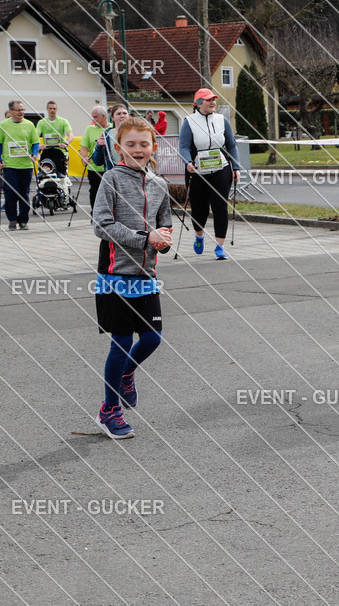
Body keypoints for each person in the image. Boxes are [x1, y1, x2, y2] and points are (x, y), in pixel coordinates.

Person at [92, 116, 172, 438]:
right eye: (130, 144)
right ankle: (109, 409)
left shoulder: (160, 184)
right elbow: (101, 224)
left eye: (144, 144)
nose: (137, 149)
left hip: (146, 273)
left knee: (152, 338)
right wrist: (144, 238)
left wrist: (163, 242)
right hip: (115, 274)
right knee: (122, 341)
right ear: (118, 147)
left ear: (153, 147)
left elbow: (164, 223)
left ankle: (126, 375)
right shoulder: (111, 179)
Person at [178, 88, 241, 260]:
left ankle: (220, 247)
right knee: (199, 209)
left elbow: (232, 145)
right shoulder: (189, 121)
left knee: (220, 206)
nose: (212, 102)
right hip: (197, 170)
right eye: (208, 100)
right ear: (198, 103)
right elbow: (183, 146)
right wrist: (188, 162)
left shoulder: (222, 120)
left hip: (221, 168)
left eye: (213, 99)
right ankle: (199, 237)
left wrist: (236, 168)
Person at [0, 100, 40, 230]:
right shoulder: (4, 125)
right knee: (11, 193)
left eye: (23, 110)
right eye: (19, 110)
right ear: (11, 112)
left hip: (26, 165)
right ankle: (12, 219)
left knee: (24, 193)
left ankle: (23, 220)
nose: (22, 112)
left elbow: (35, 142)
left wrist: (35, 153)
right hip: (10, 165)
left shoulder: (29, 124)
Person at [79, 106, 112, 208]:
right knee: (95, 192)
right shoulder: (90, 129)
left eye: (95, 117)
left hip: (110, 168)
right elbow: (84, 147)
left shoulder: (112, 129)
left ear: (103, 116)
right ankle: (94, 215)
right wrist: (84, 157)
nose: (93, 120)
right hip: (94, 168)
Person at [36, 100, 74, 177]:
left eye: (54, 108)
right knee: (44, 173)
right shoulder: (42, 122)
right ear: (47, 109)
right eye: (50, 108)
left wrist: (66, 144)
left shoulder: (63, 121)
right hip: (47, 150)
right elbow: (36, 135)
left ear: (57, 109)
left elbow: (70, 135)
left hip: (59, 151)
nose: (52, 110)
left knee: (61, 173)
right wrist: (39, 144)